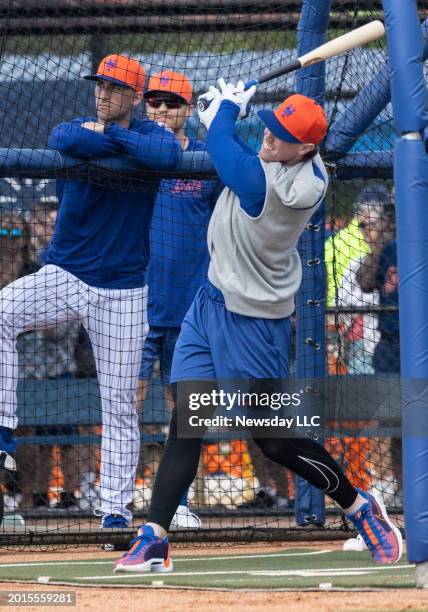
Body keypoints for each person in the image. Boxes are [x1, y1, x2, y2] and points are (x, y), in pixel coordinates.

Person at [114, 80, 402, 573]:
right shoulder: (283, 161)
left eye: (281, 134)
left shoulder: (282, 186)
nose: (270, 137)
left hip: (254, 324)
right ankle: (156, 536)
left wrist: (224, 110)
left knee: (274, 440)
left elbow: (228, 150)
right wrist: (220, 119)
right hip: (207, 306)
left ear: (306, 148)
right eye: (270, 127)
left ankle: (360, 507)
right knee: (187, 421)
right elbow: (240, 150)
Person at [0, 54, 181, 531]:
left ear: (135, 97)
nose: (103, 94)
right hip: (66, 274)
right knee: (1, 313)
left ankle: (115, 510)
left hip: (124, 291)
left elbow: (167, 158)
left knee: (120, 405)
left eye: (115, 88)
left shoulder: (153, 136)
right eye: (99, 86)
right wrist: (111, 142)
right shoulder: (78, 127)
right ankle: (3, 429)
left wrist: (112, 139)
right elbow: (63, 138)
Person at [137, 70, 221, 528]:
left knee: (183, 413)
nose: (162, 111)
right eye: (155, 103)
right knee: (124, 401)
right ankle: (114, 498)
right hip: (135, 308)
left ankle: (177, 504)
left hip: (191, 312)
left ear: (187, 108)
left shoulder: (207, 162)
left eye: (172, 103)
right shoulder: (134, 158)